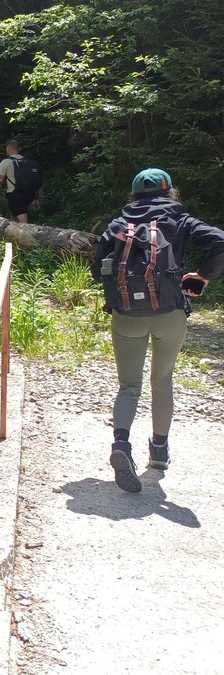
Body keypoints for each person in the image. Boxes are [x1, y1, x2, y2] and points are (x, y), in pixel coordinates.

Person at [93, 168, 224, 493]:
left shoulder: (118, 223)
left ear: (134, 194)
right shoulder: (180, 220)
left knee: (128, 386)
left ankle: (121, 444)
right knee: (162, 379)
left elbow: (98, 270)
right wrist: (203, 277)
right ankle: (160, 451)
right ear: (169, 192)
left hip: (126, 317)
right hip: (170, 313)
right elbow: (220, 242)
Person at [0, 139, 42, 223]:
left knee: (24, 225)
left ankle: (29, 234)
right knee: (15, 221)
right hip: (30, 194)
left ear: (8, 148)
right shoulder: (29, 162)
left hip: (15, 195)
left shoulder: (6, 162)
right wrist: (36, 198)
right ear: (18, 149)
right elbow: (36, 181)